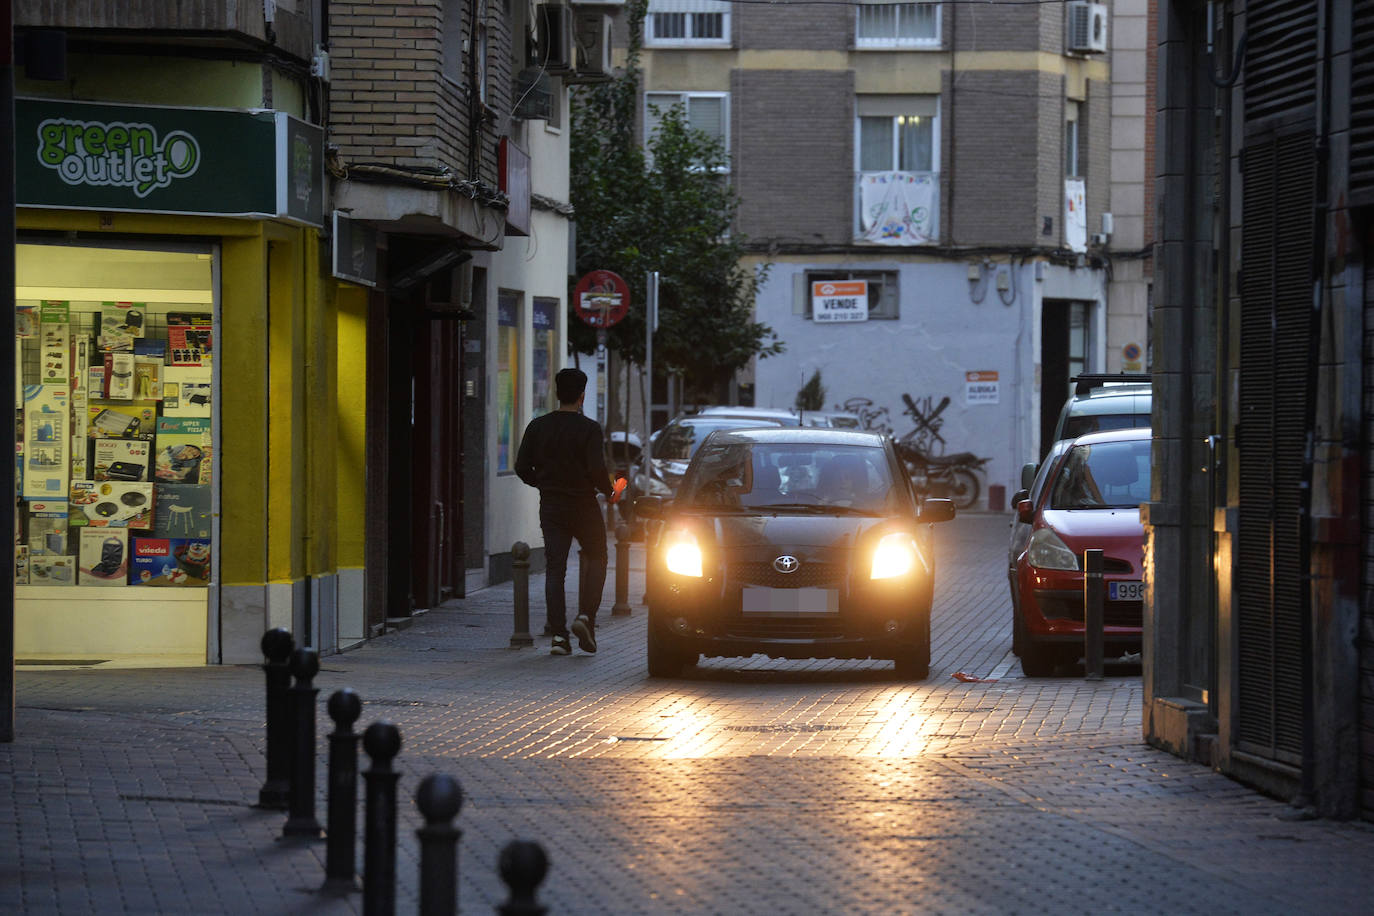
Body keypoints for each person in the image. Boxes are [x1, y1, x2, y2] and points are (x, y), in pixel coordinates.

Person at [515, 368, 614, 655]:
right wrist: (609, 491)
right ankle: (586, 617)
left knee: (555, 568)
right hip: (583, 504)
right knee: (598, 555)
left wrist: (544, 483)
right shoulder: (589, 429)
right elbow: (597, 469)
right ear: (582, 396)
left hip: (552, 505)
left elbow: (522, 467)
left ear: (557, 394)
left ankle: (559, 637)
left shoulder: (538, 426)